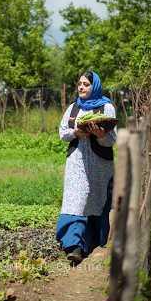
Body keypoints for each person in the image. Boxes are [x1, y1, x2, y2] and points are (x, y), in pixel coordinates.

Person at [55, 71, 117, 265]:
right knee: (75, 201)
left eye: (86, 84)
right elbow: (62, 133)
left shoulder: (106, 107)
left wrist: (100, 134)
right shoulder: (73, 108)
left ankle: (92, 242)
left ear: (95, 86)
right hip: (76, 163)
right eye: (80, 84)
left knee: (95, 201)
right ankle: (73, 246)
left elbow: (112, 139)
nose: (81, 87)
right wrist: (76, 132)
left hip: (100, 166)